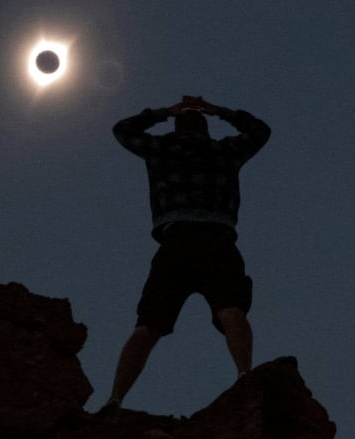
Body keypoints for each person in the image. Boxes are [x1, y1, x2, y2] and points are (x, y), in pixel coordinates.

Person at [100, 96, 271, 413]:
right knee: (231, 310)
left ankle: (115, 399)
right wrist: (220, 110)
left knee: (147, 326)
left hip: (176, 241)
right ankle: (245, 375)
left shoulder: (162, 149)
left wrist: (164, 112)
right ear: (205, 128)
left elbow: (123, 129)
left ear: (178, 126)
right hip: (217, 241)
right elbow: (260, 130)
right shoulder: (225, 151)